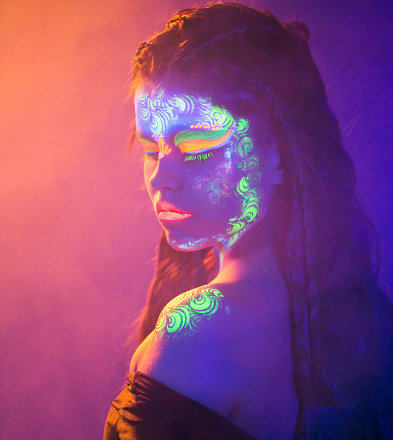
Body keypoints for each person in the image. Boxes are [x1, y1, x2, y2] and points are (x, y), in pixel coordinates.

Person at [104, 2, 393, 439]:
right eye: (151, 149)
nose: (162, 177)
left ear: (283, 153)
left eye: (198, 147)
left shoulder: (201, 326)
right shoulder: (365, 321)